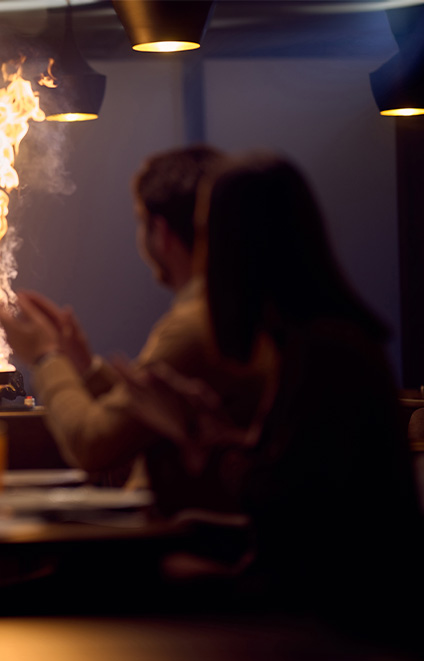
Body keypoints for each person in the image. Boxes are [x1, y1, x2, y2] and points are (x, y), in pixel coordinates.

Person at [114, 153, 424, 634]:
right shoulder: (308, 343)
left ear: (244, 247)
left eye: (208, 236)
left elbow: (297, 512)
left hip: (332, 613)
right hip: (309, 589)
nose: (203, 259)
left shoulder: (328, 354)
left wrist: (197, 434)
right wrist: (210, 429)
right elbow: (291, 481)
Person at [0, 146, 274, 488]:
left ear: (161, 233)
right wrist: (86, 370)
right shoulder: (234, 309)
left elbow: (92, 443)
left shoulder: (196, 326)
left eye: (140, 221)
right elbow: (145, 417)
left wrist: (46, 358)